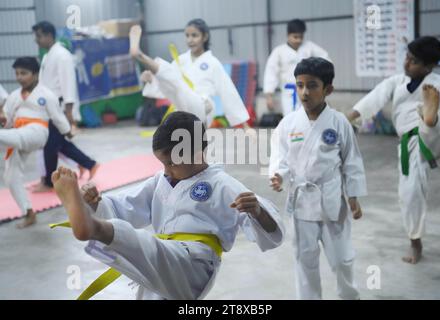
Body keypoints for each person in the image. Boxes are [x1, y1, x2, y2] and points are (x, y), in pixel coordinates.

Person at [52, 111, 285, 300]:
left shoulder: (222, 184)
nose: (166, 170)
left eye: (171, 163)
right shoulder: (161, 181)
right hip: (165, 262)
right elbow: (126, 206)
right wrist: (95, 202)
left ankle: (94, 228)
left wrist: (257, 210)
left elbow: (272, 233)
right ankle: (93, 222)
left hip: (195, 263)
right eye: (163, 163)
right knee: (148, 259)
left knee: (145, 245)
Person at [269, 57, 367, 300]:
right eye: (299, 85)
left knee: (343, 259)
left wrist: (353, 195)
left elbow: (352, 160)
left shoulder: (339, 122)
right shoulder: (288, 124)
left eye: (312, 85)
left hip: (332, 199)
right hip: (302, 203)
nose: (304, 92)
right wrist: (278, 176)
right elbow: (280, 158)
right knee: (305, 260)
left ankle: (349, 295)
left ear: (328, 89)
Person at [347, 36, 440, 264]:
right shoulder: (396, 82)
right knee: (410, 193)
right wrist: (349, 117)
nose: (406, 64)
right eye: (407, 58)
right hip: (411, 144)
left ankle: (430, 116)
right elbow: (374, 98)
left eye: (413, 61)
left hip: (435, 134)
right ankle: (416, 242)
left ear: (429, 66)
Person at [130, 19, 250, 128]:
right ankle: (140, 56)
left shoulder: (212, 63)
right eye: (187, 36)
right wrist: (152, 80)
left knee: (176, 83)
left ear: (205, 37)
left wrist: (245, 126)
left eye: (194, 35)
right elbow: (166, 87)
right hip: (182, 107)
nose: (190, 40)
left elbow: (228, 91)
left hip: (202, 106)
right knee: (172, 81)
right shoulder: (181, 60)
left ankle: (140, 55)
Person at [0, 57, 71, 228]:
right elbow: (8, 121)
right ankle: (28, 212)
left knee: (18, 136)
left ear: (35, 74)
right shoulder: (13, 96)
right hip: (17, 134)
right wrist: (3, 120)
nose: (19, 77)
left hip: (37, 132)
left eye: (23, 73)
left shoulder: (46, 95)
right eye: (17, 73)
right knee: (11, 177)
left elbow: (57, 116)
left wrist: (67, 130)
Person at [31, 21, 99, 192]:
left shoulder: (62, 55)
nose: (36, 40)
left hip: (60, 106)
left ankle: (48, 182)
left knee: (51, 144)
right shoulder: (48, 56)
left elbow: (68, 84)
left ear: (48, 35)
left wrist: (69, 112)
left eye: (38, 36)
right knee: (59, 144)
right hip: (48, 106)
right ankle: (89, 164)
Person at [263, 19, 330, 116]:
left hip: (308, 92)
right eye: (295, 37)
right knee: (291, 120)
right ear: (288, 35)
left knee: (310, 119)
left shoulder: (309, 47)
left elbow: (326, 60)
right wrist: (269, 96)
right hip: (289, 93)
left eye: (301, 37)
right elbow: (271, 72)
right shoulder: (279, 51)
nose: (299, 40)